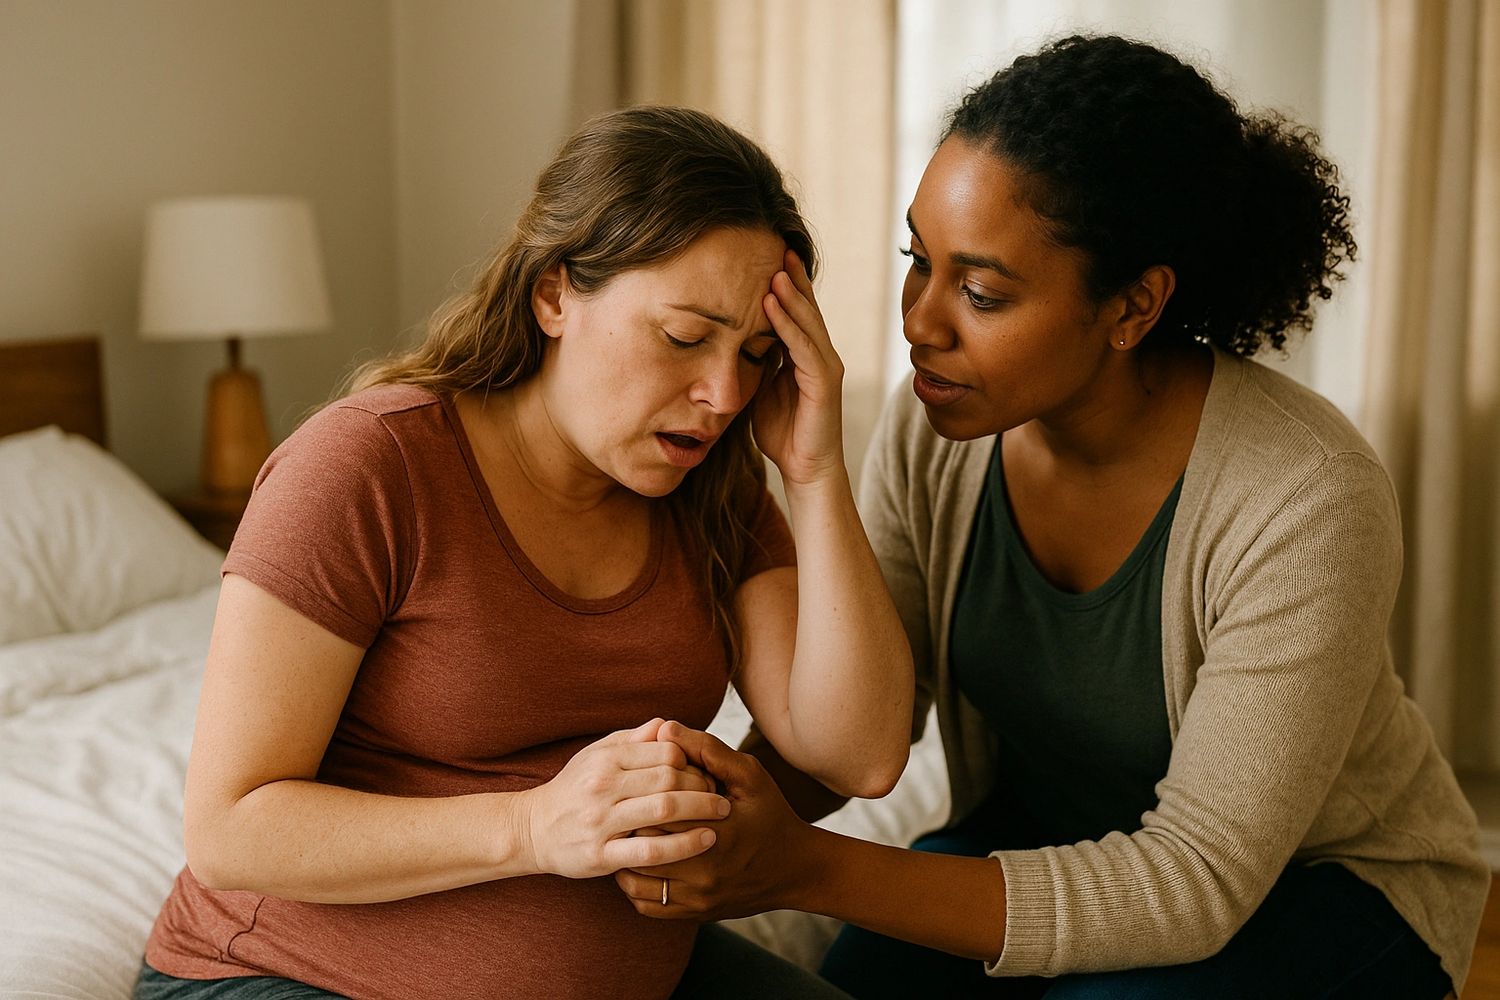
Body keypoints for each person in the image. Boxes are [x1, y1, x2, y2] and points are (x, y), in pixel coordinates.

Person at [613, 35, 1489, 999]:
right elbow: (859, 726)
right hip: (1046, 842)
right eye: (919, 260)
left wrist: (801, 869)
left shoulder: (1306, 496)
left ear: (1134, 306)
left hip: (1319, 890)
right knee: (860, 980)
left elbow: (1195, 883)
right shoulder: (929, 431)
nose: (920, 322)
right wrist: (697, 820)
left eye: (982, 293)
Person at [133, 106, 911, 1000]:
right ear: (554, 295)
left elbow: (857, 755)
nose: (723, 392)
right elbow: (230, 831)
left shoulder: (713, 492)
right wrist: (535, 828)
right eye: (686, 338)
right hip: (286, 978)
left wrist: (813, 471)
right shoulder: (368, 467)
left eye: (759, 355)